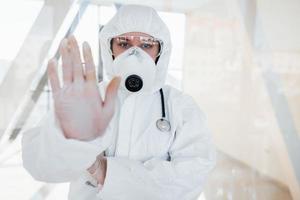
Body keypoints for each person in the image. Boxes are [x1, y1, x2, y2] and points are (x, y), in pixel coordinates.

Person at [22, 4, 216, 200]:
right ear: (110, 49)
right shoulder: (84, 98)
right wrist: (69, 140)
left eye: (146, 45)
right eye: (124, 44)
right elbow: (38, 165)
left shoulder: (181, 106)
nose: (135, 54)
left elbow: (192, 176)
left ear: (160, 52)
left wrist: (104, 171)